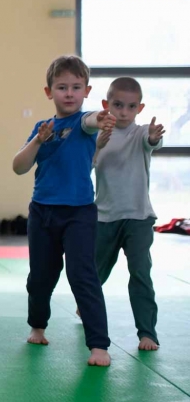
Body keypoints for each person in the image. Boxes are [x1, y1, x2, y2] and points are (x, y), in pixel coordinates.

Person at [12, 55, 114, 367]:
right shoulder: (42, 128)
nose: (69, 93)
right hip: (43, 213)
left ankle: (98, 345)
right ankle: (38, 326)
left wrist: (103, 119)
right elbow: (19, 167)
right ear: (49, 92)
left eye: (76, 87)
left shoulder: (84, 124)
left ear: (86, 90)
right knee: (41, 277)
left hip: (79, 213)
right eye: (61, 87)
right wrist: (38, 142)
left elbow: (92, 120)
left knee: (82, 275)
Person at [93, 77, 165, 351]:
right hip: (104, 218)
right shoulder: (99, 136)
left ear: (140, 108)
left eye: (131, 106)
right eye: (118, 105)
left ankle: (147, 332)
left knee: (140, 273)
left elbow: (152, 141)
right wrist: (97, 144)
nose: (124, 111)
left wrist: (154, 137)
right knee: (94, 273)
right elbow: (87, 163)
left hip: (138, 218)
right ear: (106, 104)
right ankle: (86, 308)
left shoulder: (141, 133)